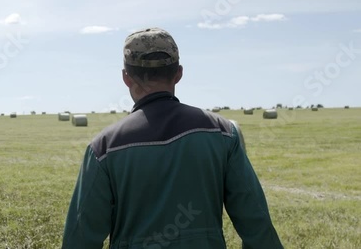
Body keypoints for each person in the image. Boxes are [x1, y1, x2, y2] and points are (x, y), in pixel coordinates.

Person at [62, 27, 283, 248]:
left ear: (126, 77)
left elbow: (80, 238)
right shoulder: (223, 132)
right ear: (178, 73)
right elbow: (257, 222)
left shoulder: (103, 148)